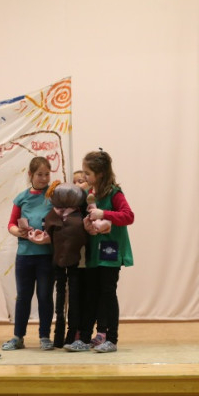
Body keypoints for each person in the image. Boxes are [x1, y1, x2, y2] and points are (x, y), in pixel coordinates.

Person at [72, 150, 134, 353]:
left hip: (110, 251)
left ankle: (112, 339)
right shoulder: (90, 194)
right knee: (91, 293)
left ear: (99, 174)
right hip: (95, 251)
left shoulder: (115, 193)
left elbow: (128, 216)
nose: (84, 177)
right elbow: (91, 219)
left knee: (108, 293)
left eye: (87, 173)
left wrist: (104, 213)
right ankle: (84, 338)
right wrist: (87, 224)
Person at [2, 156, 55, 351]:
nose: (44, 178)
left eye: (47, 174)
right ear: (30, 175)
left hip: (46, 255)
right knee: (23, 296)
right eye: (40, 174)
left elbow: (62, 221)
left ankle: (44, 337)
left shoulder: (54, 196)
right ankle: (18, 337)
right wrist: (19, 232)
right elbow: (11, 223)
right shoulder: (21, 198)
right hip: (25, 255)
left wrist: (50, 236)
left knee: (45, 296)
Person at [43, 182, 88, 348]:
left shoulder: (78, 216)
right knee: (60, 296)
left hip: (74, 261)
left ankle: (71, 333)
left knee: (73, 297)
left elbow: (83, 236)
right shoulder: (54, 215)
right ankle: (58, 334)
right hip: (58, 261)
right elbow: (48, 229)